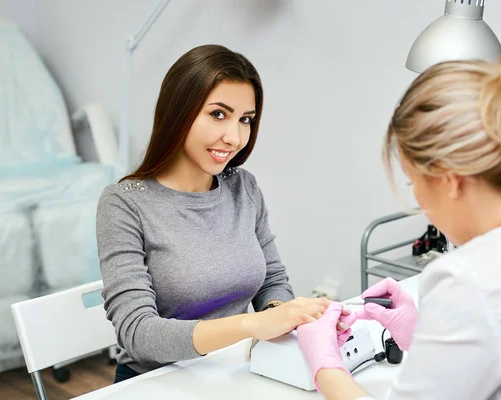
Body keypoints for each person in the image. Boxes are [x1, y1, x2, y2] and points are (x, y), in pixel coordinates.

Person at [297, 53, 501, 399]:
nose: (423, 208)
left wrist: (325, 365)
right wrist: (422, 335)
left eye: (414, 183)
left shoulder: (470, 279)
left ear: (449, 179)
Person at [96, 45, 333, 383]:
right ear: (179, 112)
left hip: (234, 372)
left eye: (245, 119)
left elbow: (273, 280)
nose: (233, 137)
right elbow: (138, 333)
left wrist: (280, 314)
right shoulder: (124, 203)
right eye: (218, 114)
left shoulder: (243, 188)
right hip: (154, 383)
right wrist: (252, 326)